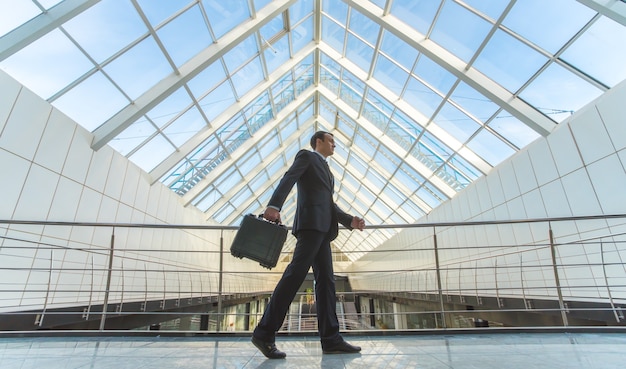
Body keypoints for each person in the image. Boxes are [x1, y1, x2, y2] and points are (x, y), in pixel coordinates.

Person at [251, 131, 366, 359]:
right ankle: (264, 334)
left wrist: (349, 220)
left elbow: (328, 203)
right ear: (318, 142)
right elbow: (289, 177)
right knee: (294, 275)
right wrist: (274, 205)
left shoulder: (327, 171)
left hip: (323, 230)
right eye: (331, 140)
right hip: (310, 227)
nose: (335, 144)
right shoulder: (307, 156)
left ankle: (331, 339)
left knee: (327, 283)